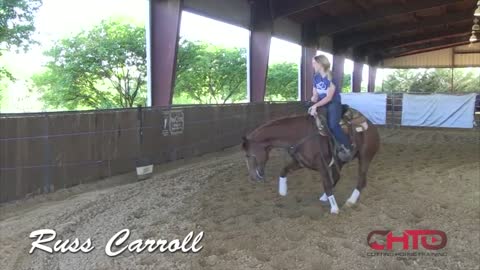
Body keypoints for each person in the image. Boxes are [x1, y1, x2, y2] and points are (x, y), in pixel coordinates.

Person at [308, 55, 352, 162]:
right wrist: (313, 99)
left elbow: (328, 97)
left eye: (314, 63)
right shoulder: (316, 77)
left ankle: (347, 146)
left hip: (333, 103)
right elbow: (315, 94)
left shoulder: (331, 77)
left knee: (333, 125)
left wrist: (315, 105)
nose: (312, 65)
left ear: (321, 64)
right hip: (321, 103)